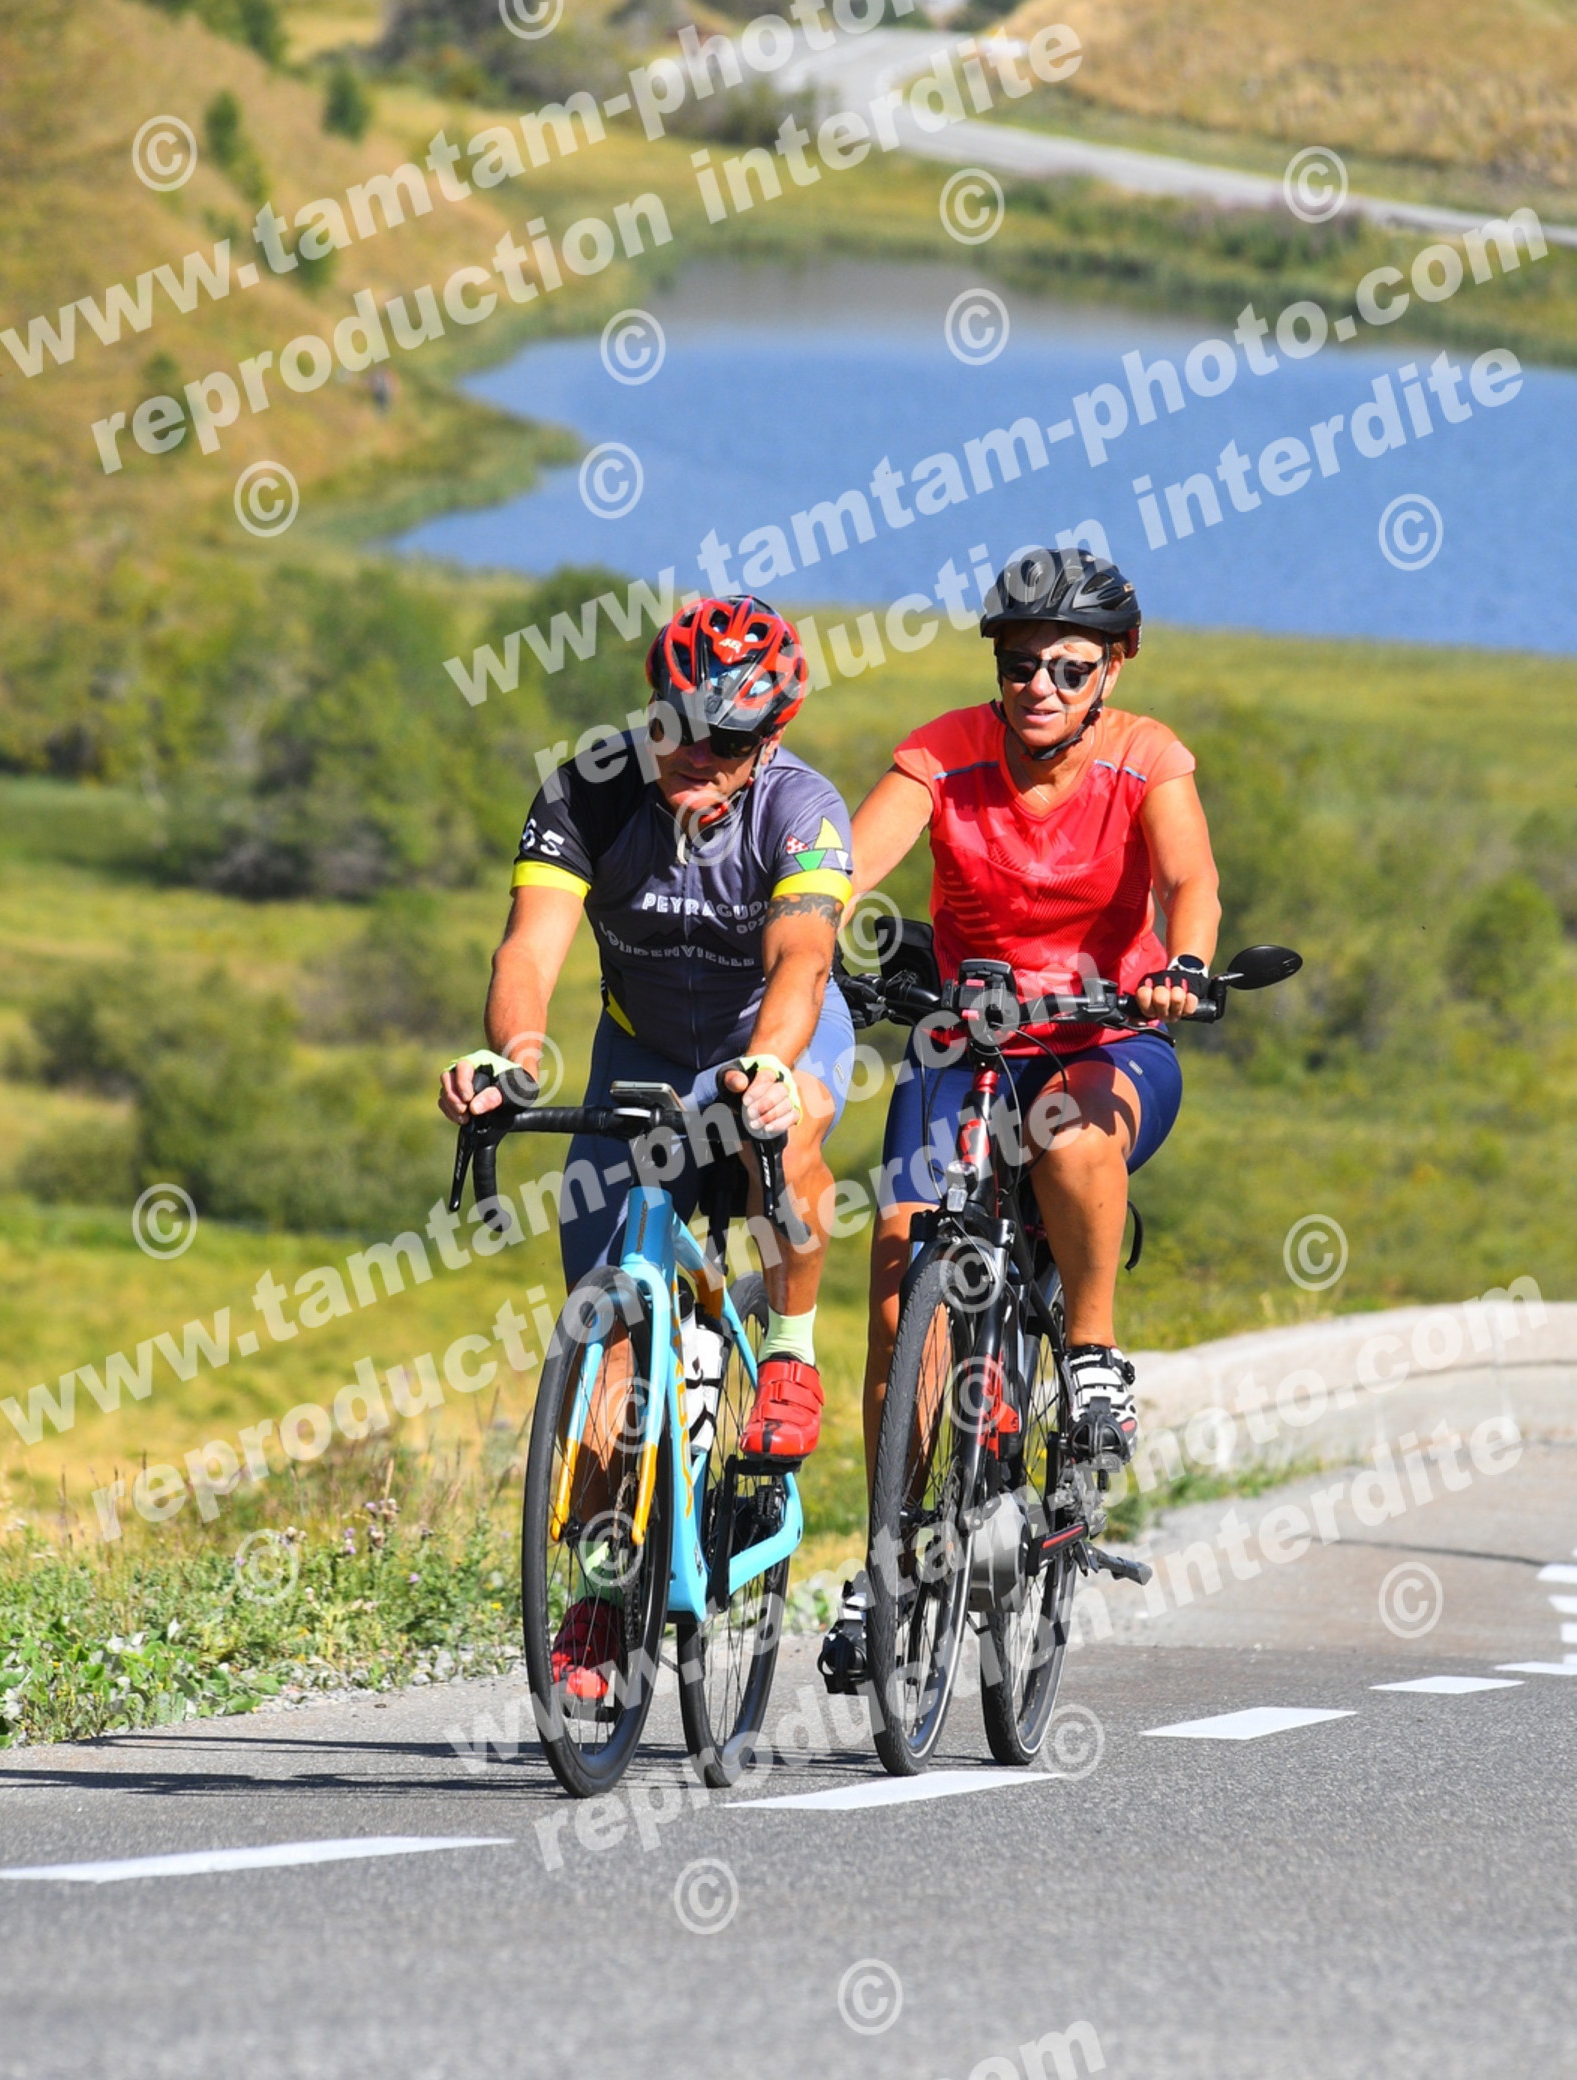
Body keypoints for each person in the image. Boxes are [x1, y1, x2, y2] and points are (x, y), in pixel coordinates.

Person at [820, 548, 1221, 1686]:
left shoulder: (1146, 756)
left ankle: (1089, 1355)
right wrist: (813, 922)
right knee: (897, 1280)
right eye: (1018, 664)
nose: (1039, 685)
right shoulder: (942, 752)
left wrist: (1184, 966)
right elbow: (847, 866)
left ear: (1114, 667)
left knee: (1074, 1137)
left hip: (1105, 1035)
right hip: (965, 1039)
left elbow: (1189, 882)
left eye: (1068, 667)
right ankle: (888, 1562)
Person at [440, 595, 854, 1683]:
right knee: (610, 1337)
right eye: (678, 725)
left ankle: (791, 1351)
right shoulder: (587, 787)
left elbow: (803, 958)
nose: (697, 754)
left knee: (792, 1122)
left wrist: (770, 1065)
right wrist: (513, 1057)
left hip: (769, 1033)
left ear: (770, 739)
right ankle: (602, 1600)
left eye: (729, 740)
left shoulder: (802, 808)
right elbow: (529, 947)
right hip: (639, 1052)